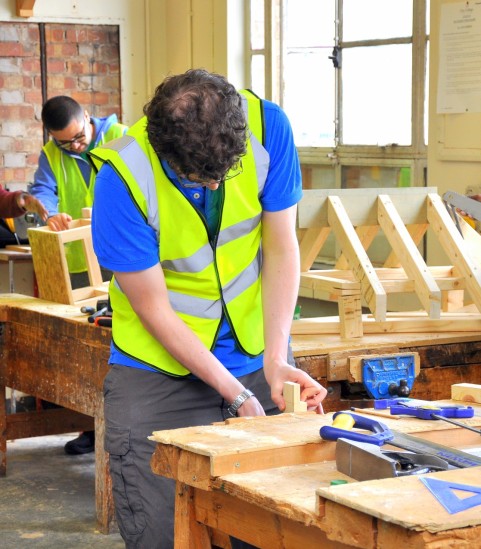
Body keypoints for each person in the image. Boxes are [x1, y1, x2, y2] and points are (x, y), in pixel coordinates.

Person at [89, 68, 327, 549]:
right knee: (162, 531)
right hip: (157, 367)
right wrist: (235, 395)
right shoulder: (121, 178)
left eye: (226, 173)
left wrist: (276, 357)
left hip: (254, 350)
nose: (217, 187)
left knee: (278, 523)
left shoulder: (268, 128)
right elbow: (154, 310)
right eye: (201, 178)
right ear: (164, 151)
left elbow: (281, 248)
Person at [30, 95, 127, 456]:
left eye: (78, 138)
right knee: (83, 348)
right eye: (64, 142)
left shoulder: (121, 136)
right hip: (79, 261)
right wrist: (49, 212)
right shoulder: (51, 154)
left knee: (118, 344)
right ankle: (89, 428)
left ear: (88, 117)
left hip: (121, 257)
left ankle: (121, 429)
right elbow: (42, 190)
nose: (74, 146)